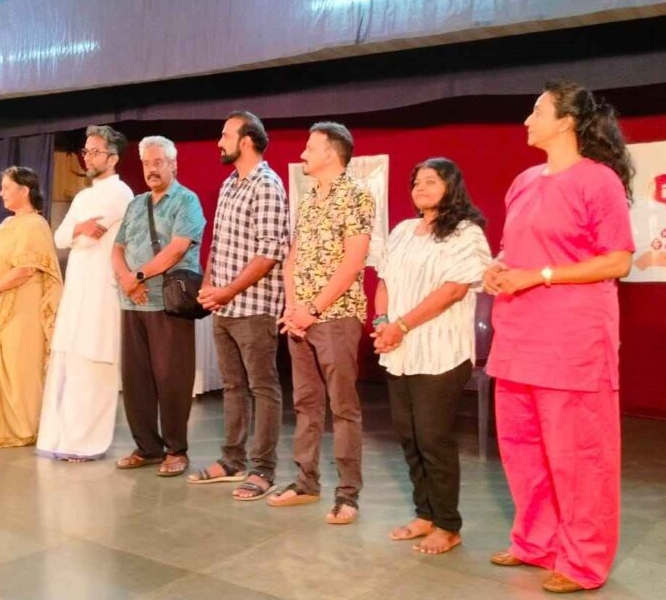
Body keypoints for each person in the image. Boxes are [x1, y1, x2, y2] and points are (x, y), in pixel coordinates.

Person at [483, 80, 635, 593]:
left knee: (580, 459)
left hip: (572, 342)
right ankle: (536, 541)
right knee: (522, 450)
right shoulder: (524, 180)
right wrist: (499, 266)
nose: (527, 120)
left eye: (537, 111)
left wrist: (541, 275)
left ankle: (583, 561)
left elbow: (617, 260)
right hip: (517, 336)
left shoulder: (598, 180)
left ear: (566, 121)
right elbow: (517, 248)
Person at [371, 157, 491, 555]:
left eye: (431, 181)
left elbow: (453, 290)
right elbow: (384, 281)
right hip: (399, 350)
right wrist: (383, 323)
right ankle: (424, 514)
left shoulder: (466, 233)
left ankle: (448, 524)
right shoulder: (403, 231)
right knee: (408, 436)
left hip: (441, 351)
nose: (420, 188)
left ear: (451, 187)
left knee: (433, 438)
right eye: (416, 182)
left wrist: (401, 325)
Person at [269, 121, 374, 525]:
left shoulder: (357, 195)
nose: (303, 154)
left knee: (343, 407)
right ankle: (305, 482)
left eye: (310, 147)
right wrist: (293, 308)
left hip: (336, 317)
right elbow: (293, 258)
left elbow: (353, 262)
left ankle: (348, 495)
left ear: (331, 152)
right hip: (301, 319)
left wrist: (312, 309)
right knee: (306, 404)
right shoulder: (310, 197)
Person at [190, 111, 290, 500]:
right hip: (225, 305)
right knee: (233, 386)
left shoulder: (267, 185)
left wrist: (227, 291)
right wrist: (210, 284)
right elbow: (219, 242)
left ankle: (263, 469)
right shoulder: (230, 183)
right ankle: (232, 461)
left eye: (225, 135)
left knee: (262, 387)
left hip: (254, 306)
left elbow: (269, 253)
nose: (219, 142)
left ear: (246, 140)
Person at [37, 125, 134, 461]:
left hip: (103, 288)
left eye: (95, 152)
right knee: (70, 363)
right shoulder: (82, 197)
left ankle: (89, 443)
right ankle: (64, 439)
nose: (88, 158)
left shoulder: (120, 193)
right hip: (77, 288)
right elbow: (61, 237)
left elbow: (92, 238)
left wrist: (77, 232)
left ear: (113, 158)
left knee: (95, 364)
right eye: (86, 151)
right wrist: (79, 227)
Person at [112, 135, 206, 477]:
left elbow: (178, 248)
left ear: (173, 165)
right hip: (132, 303)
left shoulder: (187, 200)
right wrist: (126, 279)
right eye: (146, 164)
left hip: (169, 304)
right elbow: (117, 247)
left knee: (172, 379)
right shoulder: (136, 204)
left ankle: (176, 450)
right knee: (135, 379)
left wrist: (137, 276)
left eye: (158, 162)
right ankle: (147, 448)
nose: (151, 169)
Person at [0, 166, 63, 449]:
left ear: (24, 191)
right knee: (1, 363)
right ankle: (0, 427)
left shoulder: (35, 224)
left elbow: (26, 269)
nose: (1, 193)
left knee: (21, 366)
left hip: (23, 305)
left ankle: (26, 428)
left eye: (6, 187)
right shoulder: (5, 226)